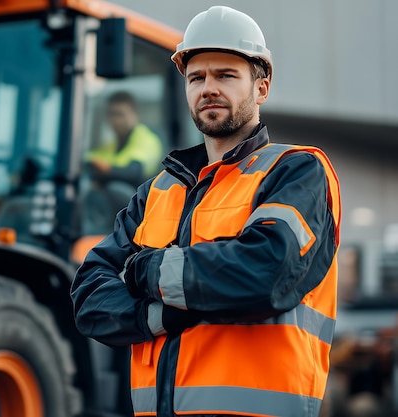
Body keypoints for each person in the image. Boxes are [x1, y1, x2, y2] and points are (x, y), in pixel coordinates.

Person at [71, 5, 341, 417]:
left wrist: (145, 271)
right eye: (197, 78)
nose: (208, 88)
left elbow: (265, 273)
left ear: (261, 88)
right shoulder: (156, 192)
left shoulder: (296, 172)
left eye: (226, 76)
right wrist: (165, 314)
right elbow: (89, 298)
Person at [86, 90, 162, 188]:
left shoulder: (147, 140)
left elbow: (133, 173)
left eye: (120, 114)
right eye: (111, 114)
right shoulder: (110, 146)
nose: (115, 120)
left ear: (135, 114)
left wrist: (105, 170)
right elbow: (90, 161)